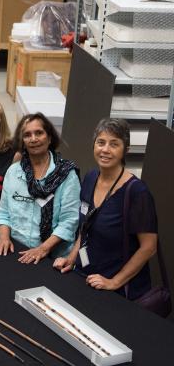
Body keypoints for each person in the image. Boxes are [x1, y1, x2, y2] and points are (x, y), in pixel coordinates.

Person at [53, 118, 157, 300]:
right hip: (86, 278)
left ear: (126, 150)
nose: (105, 150)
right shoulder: (91, 177)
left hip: (118, 294)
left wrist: (114, 282)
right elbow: (86, 227)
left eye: (114, 144)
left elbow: (149, 248)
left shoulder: (137, 192)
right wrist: (71, 258)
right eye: (101, 142)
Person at [0, 113, 80, 263]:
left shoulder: (66, 174)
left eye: (39, 133)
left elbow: (69, 222)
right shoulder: (13, 172)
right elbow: (3, 213)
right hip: (16, 250)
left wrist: (42, 249)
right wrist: (4, 239)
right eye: (27, 135)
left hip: (52, 257)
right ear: (22, 141)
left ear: (50, 137)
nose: (33, 139)